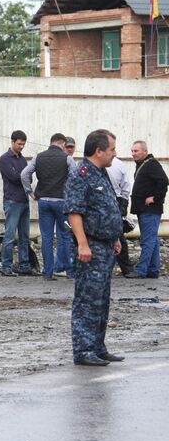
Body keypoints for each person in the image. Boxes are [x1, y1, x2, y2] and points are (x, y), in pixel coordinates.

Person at [64, 129, 124, 366]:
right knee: (87, 300)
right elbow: (74, 211)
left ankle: (98, 346)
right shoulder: (81, 174)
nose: (114, 154)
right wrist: (82, 244)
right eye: (111, 149)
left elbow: (107, 206)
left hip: (106, 246)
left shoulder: (101, 173)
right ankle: (84, 349)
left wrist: (115, 237)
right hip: (90, 246)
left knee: (101, 299)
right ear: (98, 151)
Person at [20, 133, 77, 280]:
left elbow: (24, 174)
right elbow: (75, 178)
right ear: (63, 144)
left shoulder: (38, 157)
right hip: (62, 202)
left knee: (46, 238)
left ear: (51, 142)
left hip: (43, 201)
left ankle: (47, 273)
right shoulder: (67, 159)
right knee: (65, 236)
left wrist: (29, 192)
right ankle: (70, 272)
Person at [127, 140, 168, 279]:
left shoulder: (151, 164)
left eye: (136, 151)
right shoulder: (144, 165)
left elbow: (164, 181)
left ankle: (141, 270)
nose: (133, 154)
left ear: (145, 151)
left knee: (148, 240)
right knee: (153, 240)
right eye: (132, 151)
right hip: (144, 209)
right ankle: (153, 269)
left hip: (150, 209)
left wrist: (155, 198)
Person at [0, 130, 36, 277]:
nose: (21, 147)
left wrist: (23, 177)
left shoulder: (22, 160)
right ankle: (6, 266)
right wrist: (24, 177)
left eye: (23, 144)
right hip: (12, 200)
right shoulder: (5, 159)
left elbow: (28, 178)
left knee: (24, 236)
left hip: (23, 200)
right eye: (19, 144)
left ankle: (24, 265)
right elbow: (15, 178)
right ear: (12, 142)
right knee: (9, 236)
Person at [106, 156, 135, 277]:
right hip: (115, 200)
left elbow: (125, 188)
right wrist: (123, 206)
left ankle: (119, 267)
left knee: (116, 235)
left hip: (111, 200)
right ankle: (126, 268)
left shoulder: (86, 165)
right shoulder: (119, 164)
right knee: (117, 234)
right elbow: (125, 188)